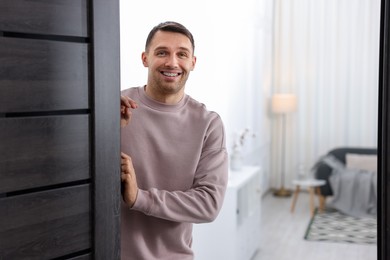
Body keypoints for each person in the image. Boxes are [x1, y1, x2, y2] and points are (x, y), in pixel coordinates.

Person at [120, 21, 228, 260]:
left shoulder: (208, 123)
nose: (172, 62)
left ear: (193, 62)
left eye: (182, 54)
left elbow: (209, 204)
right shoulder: (116, 107)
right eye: (162, 52)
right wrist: (107, 128)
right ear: (145, 58)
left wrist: (140, 198)